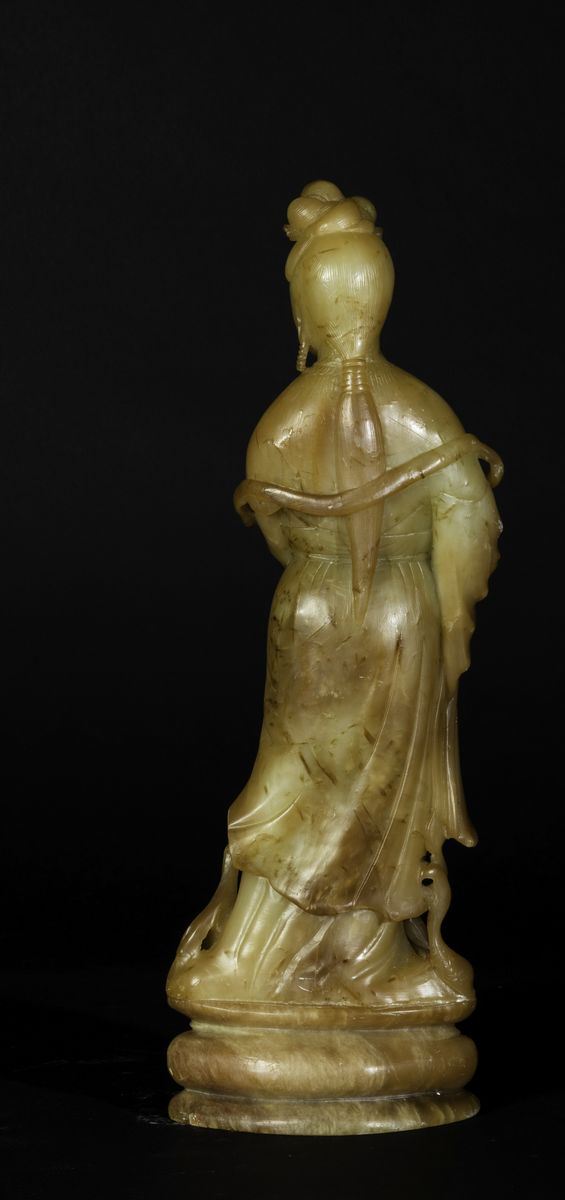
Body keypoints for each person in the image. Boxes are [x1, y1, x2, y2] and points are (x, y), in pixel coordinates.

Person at [167, 181, 502, 1014]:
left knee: (305, 781)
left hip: (312, 611)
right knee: (351, 785)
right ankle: (316, 956)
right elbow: (471, 528)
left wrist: (325, 564)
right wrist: (447, 615)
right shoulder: (424, 413)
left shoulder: (282, 419)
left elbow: (276, 531)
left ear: (308, 310)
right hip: (399, 613)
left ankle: (315, 956)